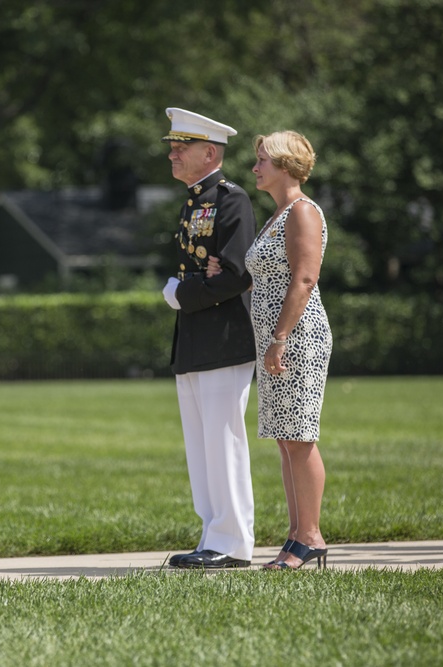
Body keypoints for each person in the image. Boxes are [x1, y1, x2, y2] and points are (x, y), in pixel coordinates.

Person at [211, 131, 333, 569]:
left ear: (284, 165)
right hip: (277, 339)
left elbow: (304, 279)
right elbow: (260, 271)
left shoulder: (302, 211)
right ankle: (295, 534)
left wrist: (280, 337)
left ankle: (312, 537)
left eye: (262, 160)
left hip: (297, 337)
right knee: (286, 441)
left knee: (299, 438)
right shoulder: (277, 215)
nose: (255, 167)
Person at [159, 108, 257, 569]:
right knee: (201, 446)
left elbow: (235, 273)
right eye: (173, 146)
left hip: (222, 336)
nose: (173, 154)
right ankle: (211, 534)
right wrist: (196, 284)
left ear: (210, 153)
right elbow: (208, 270)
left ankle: (233, 542)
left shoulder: (231, 200)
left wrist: (183, 291)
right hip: (198, 336)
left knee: (223, 441)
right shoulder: (196, 201)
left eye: (183, 147)